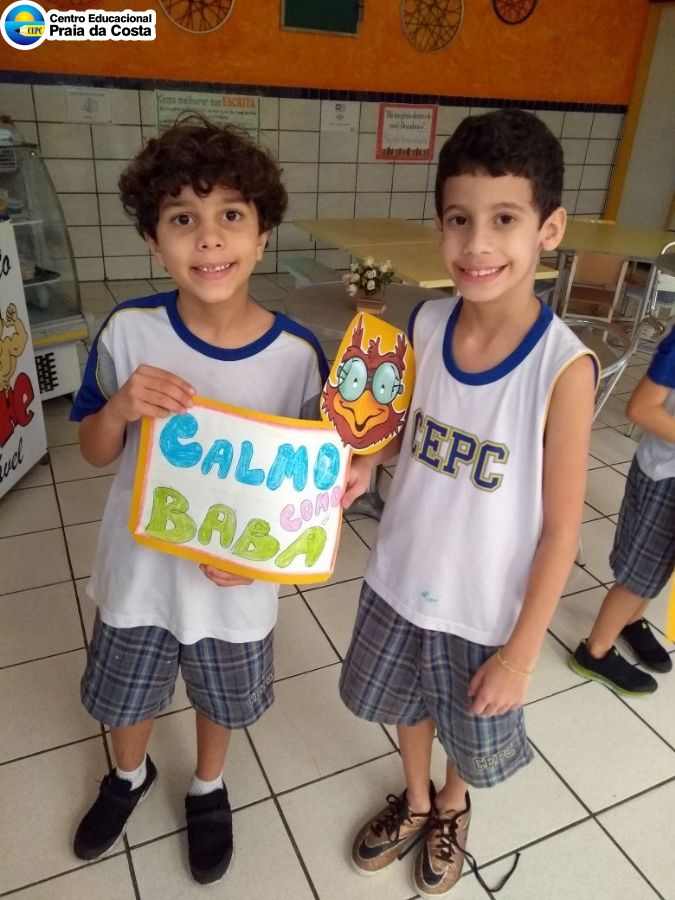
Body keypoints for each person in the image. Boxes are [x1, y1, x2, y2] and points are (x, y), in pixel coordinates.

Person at [338, 109, 597, 897]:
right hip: (399, 576)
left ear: (548, 229)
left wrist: (519, 654)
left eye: (504, 219)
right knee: (404, 701)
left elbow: (561, 530)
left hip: (484, 608)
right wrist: (367, 461)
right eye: (459, 219)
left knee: (468, 722)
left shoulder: (562, 369)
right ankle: (415, 798)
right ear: (440, 224)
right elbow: (406, 433)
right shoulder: (425, 322)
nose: (476, 244)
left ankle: (452, 805)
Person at [69, 118, 328, 885]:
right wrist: (120, 408)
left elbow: (311, 493)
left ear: (263, 234)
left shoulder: (297, 357)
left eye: (230, 215)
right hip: (139, 573)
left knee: (222, 696)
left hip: (235, 583)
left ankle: (207, 786)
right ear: (155, 242)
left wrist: (265, 561)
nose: (209, 238)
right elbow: (92, 450)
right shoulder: (129, 332)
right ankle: (128, 775)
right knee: (126, 695)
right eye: (182, 219)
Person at [570, 329, 675, 695]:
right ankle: (595, 652)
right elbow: (641, 408)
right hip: (664, 476)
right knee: (638, 576)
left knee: (661, 567)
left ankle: (632, 621)